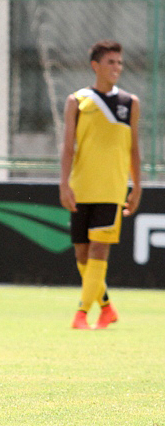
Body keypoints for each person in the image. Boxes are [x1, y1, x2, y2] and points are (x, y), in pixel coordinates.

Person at [59, 40, 141, 330]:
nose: (117, 67)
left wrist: (137, 187)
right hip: (81, 187)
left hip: (112, 189)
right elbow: (68, 147)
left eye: (119, 62)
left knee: (97, 251)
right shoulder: (77, 101)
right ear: (96, 66)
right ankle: (106, 308)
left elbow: (134, 150)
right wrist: (64, 184)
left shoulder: (130, 103)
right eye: (111, 62)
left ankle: (81, 314)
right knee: (82, 254)